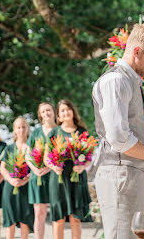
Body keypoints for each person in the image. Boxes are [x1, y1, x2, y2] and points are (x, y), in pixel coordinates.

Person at [92, 23, 144, 239]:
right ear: (137, 52)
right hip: (121, 176)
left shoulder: (130, 82)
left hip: (131, 175)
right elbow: (119, 139)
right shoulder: (116, 80)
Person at [45, 99, 91, 239]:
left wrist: (83, 166)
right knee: (58, 219)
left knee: (75, 219)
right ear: (58, 115)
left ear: (73, 111)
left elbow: (89, 156)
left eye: (68, 109)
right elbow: (46, 157)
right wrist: (54, 167)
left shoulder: (82, 131)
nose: (66, 112)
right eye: (62, 111)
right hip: (59, 180)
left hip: (77, 179)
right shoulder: (54, 132)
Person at [26, 103, 57, 239]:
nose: (46, 113)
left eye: (48, 110)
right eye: (43, 111)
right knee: (39, 212)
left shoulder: (59, 130)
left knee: (57, 213)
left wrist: (48, 168)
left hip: (54, 176)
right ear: (40, 115)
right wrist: (35, 169)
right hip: (37, 176)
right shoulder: (36, 132)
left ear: (53, 112)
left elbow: (63, 155)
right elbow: (27, 155)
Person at [0, 117, 34, 239]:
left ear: (27, 129)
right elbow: (2, 168)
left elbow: (36, 168)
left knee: (25, 220)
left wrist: (24, 180)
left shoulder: (31, 148)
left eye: (24, 127)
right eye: (18, 127)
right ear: (14, 130)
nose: (21, 130)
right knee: (11, 222)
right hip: (10, 188)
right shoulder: (9, 148)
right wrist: (12, 180)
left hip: (27, 188)